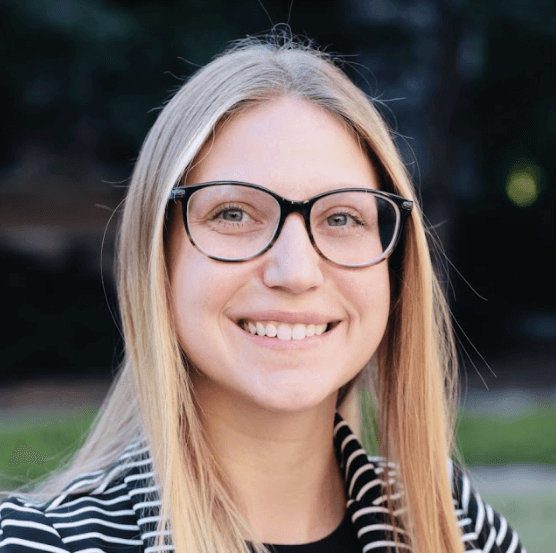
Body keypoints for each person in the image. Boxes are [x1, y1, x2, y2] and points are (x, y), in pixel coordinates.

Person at [0, 35, 525, 553]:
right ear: (156, 256)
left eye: (342, 217)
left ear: (395, 266)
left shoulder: (460, 528)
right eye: (233, 214)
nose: (295, 272)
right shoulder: (40, 543)